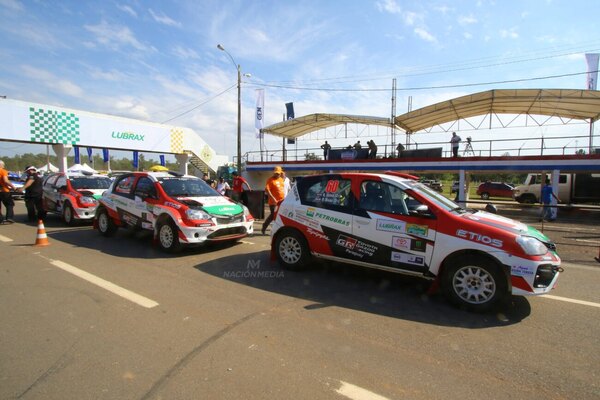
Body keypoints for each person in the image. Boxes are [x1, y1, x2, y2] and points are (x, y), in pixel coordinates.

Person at [261, 166, 285, 235]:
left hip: (281, 201)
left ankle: (277, 229)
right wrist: (273, 198)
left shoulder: (281, 179)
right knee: (273, 215)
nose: (276, 174)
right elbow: (267, 190)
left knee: (279, 215)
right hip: (273, 202)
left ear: (280, 173)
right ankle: (265, 227)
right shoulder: (270, 180)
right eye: (275, 173)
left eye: (278, 173)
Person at [0, 160, 16, 224]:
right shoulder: (3, 171)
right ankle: (9, 218)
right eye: (3, 165)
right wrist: (13, 187)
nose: (4, 166)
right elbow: (6, 181)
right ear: (1, 165)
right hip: (4, 191)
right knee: (9, 204)